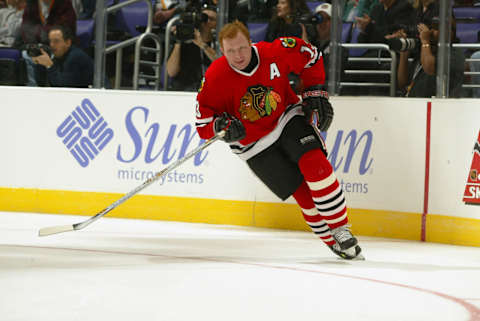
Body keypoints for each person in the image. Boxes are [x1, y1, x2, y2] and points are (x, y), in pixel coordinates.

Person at [194, 20, 363, 260]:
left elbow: (311, 56)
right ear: (222, 50)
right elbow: (203, 124)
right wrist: (220, 127)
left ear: (250, 42)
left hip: (286, 119)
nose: (237, 55)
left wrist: (314, 91)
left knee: (316, 166)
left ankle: (341, 229)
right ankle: (332, 240)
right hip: (252, 146)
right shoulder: (215, 76)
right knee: (303, 195)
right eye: (231, 51)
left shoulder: (275, 51)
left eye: (241, 48)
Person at [394, 12, 465, 97]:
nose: (430, 32)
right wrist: (404, 56)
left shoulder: (455, 54)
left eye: (436, 28)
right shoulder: (426, 51)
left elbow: (429, 68)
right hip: (412, 102)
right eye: (431, 27)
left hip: (436, 104)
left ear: (450, 33)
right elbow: (403, 83)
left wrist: (425, 41)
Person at [18, 0, 77, 86]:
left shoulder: (64, 3)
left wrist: (43, 35)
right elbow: (25, 26)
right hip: (36, 43)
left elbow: (65, 30)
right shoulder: (32, 2)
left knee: (51, 56)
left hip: (58, 45)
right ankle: (32, 89)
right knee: (26, 55)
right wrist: (34, 43)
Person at [166, 5, 217, 91]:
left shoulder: (218, 43)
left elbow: (223, 64)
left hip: (211, 91)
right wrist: (178, 41)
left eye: (211, 19)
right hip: (184, 90)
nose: (205, 22)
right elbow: (171, 72)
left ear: (217, 24)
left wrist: (202, 44)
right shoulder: (185, 42)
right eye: (203, 18)